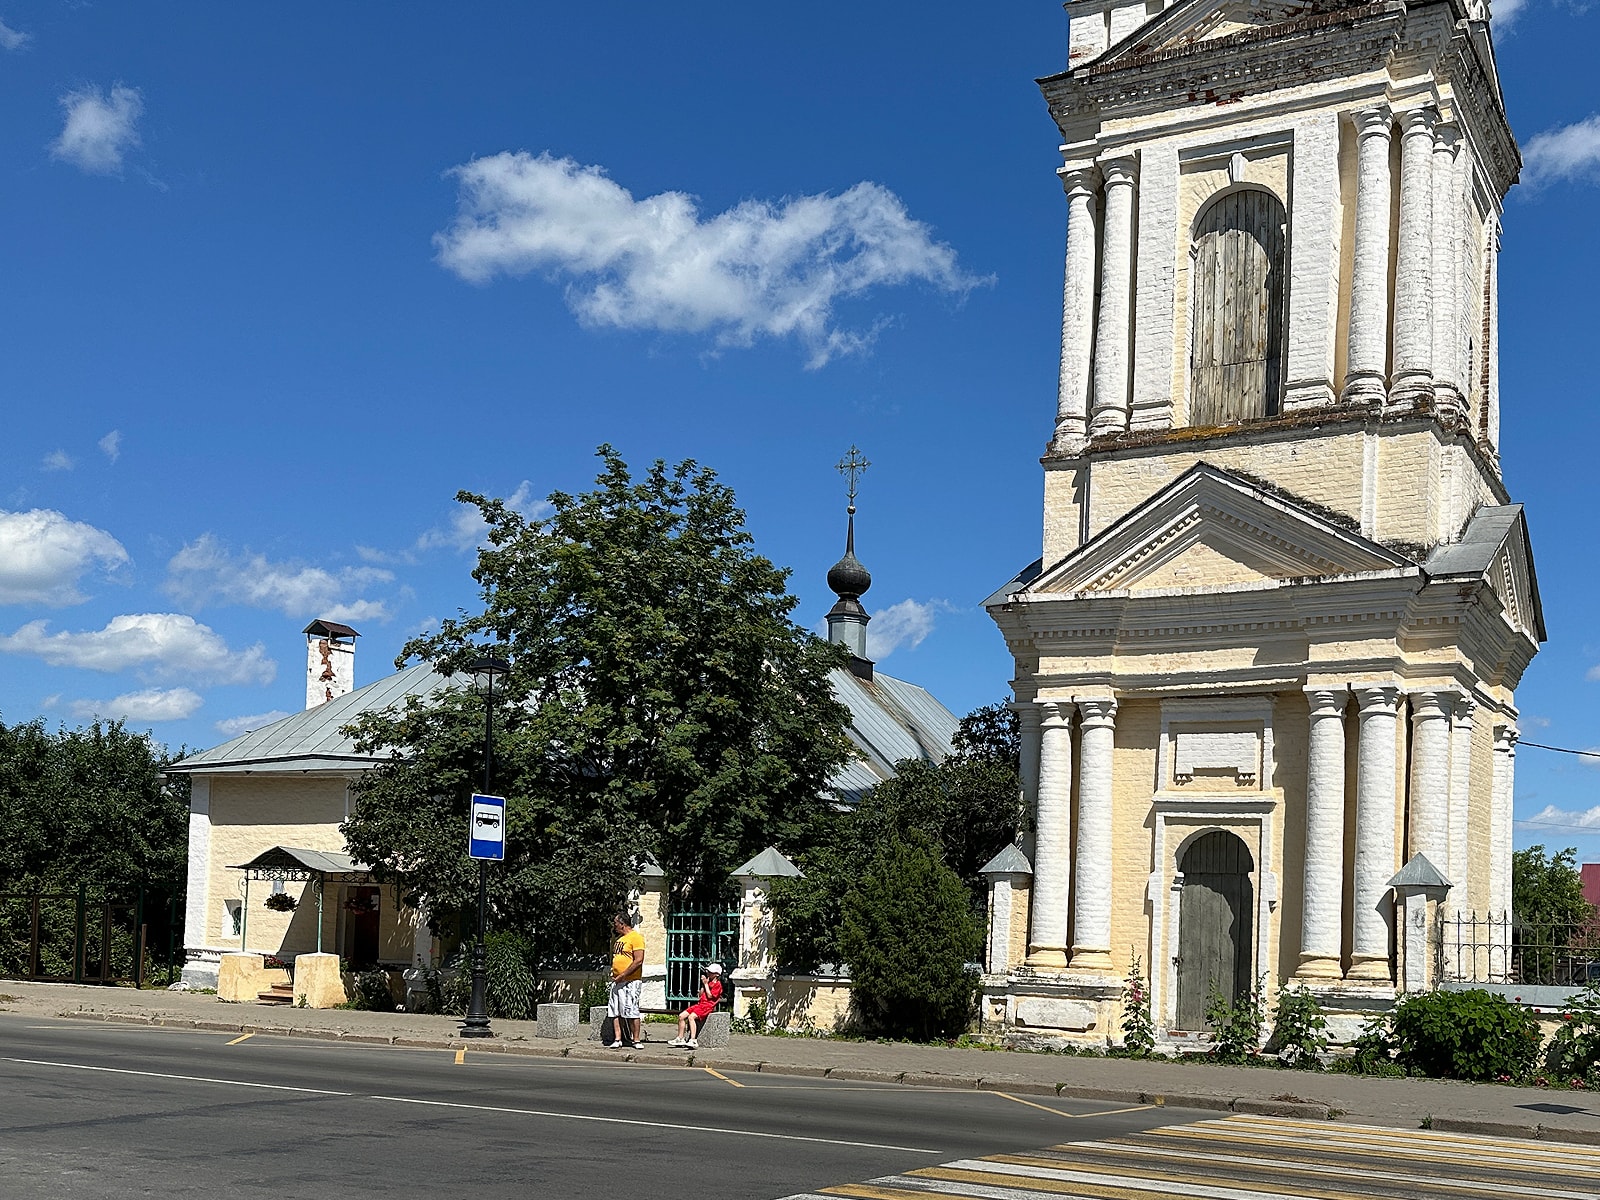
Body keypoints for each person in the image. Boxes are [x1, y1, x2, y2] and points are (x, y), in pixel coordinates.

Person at [606, 911, 645, 1049]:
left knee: (631, 1010)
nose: (614, 926)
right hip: (617, 981)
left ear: (622, 924)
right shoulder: (620, 940)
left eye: (616, 923)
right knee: (615, 1010)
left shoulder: (636, 937)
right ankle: (618, 1038)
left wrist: (623, 975)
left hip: (630, 981)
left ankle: (636, 1039)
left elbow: (638, 960)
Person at [669, 962, 723, 1049]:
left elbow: (710, 996)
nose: (708, 973)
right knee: (681, 1016)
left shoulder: (718, 985)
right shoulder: (708, 982)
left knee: (691, 1017)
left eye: (711, 972)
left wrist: (706, 985)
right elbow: (701, 995)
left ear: (716, 974)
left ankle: (693, 1040)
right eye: (708, 971)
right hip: (700, 1004)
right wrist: (704, 985)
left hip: (707, 1006)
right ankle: (680, 1038)